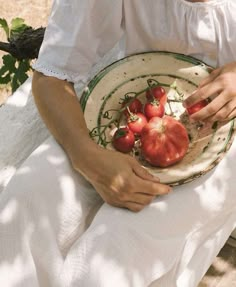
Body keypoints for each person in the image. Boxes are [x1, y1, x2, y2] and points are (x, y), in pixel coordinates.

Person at [1, 0, 236, 286]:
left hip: (224, 138)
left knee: (116, 251)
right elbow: (52, 75)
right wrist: (85, 154)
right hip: (131, 113)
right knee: (26, 202)